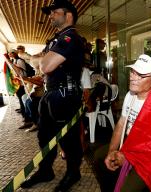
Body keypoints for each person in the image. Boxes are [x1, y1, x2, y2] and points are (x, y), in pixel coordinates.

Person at [21, 0, 84, 191]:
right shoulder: (56, 39)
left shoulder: (70, 38)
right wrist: (39, 60)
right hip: (50, 94)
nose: (50, 16)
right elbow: (37, 63)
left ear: (68, 15)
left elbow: (44, 66)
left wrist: (40, 60)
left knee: (68, 139)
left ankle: (73, 173)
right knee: (44, 136)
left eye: (54, 12)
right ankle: (45, 171)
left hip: (65, 96)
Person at [93, 54, 151, 191]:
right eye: (132, 71)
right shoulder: (131, 95)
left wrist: (128, 157)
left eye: (140, 75)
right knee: (99, 156)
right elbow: (121, 124)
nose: (132, 77)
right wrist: (112, 151)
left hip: (148, 156)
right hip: (128, 145)